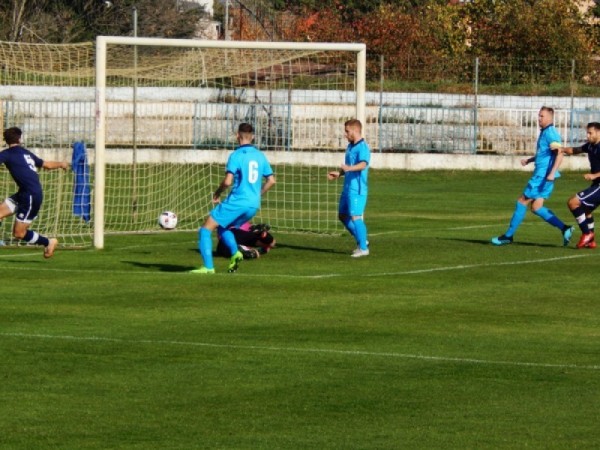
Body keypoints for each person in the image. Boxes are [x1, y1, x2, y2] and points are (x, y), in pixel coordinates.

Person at [190, 122, 276, 274]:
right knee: (224, 227)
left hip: (237, 202)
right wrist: (258, 193)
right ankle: (236, 253)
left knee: (205, 229)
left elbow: (228, 181)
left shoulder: (236, 156)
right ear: (253, 137)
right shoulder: (260, 156)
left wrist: (217, 192)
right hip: (253, 205)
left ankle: (208, 267)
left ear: (237, 136)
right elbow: (272, 180)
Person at [491, 106, 573, 246]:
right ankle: (565, 228)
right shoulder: (545, 132)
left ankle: (508, 236)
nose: (539, 118)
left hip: (542, 177)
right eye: (539, 115)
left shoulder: (550, 133)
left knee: (522, 201)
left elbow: (559, 152)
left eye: (542, 116)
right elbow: (544, 154)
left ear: (549, 117)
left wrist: (552, 173)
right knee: (536, 207)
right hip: (545, 176)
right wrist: (529, 160)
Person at [0, 127, 69, 258]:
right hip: (24, 193)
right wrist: (61, 164)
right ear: (19, 139)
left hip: (30, 196)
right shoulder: (25, 153)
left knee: (19, 233)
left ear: (6, 140)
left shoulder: (7, 154)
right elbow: (46, 165)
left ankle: (48, 242)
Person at [327, 118, 370, 257]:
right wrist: (339, 173)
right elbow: (348, 167)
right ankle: (362, 240)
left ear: (355, 130)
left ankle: (363, 248)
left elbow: (363, 164)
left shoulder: (363, 147)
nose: (345, 134)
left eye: (347, 131)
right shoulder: (350, 147)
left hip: (357, 189)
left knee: (355, 217)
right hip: (347, 188)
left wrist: (349, 168)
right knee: (342, 215)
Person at [555, 122, 600, 249]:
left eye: (590, 133)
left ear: (598, 132)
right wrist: (562, 149)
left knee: (573, 202)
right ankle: (591, 241)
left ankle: (586, 234)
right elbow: (576, 150)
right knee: (586, 210)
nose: (588, 135)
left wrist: (594, 175)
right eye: (587, 132)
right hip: (597, 184)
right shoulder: (591, 146)